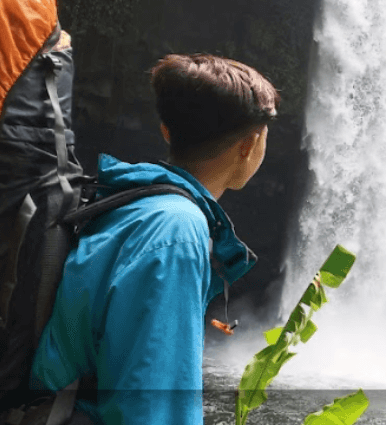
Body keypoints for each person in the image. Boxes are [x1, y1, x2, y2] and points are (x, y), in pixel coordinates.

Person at [29, 53, 279, 425]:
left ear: (166, 130)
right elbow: (152, 409)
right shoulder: (178, 230)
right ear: (249, 145)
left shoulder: (131, 202)